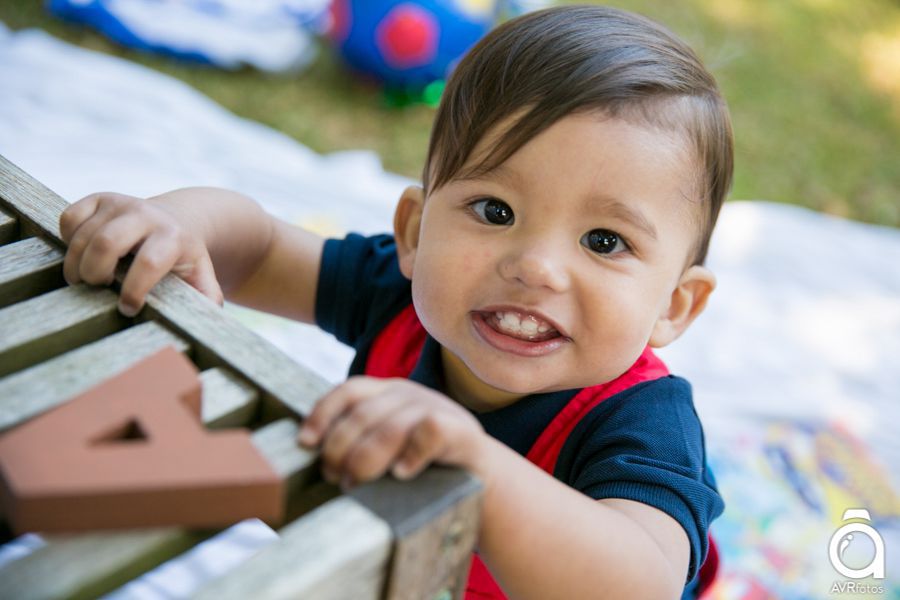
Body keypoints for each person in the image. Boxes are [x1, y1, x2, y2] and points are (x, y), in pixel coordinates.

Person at [59, 5, 732, 599]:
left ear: (674, 306)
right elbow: (259, 251)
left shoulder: (645, 423)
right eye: (495, 210)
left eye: (604, 241)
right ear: (414, 231)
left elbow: (638, 583)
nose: (535, 267)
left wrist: (477, 465)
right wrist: (180, 224)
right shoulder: (401, 299)